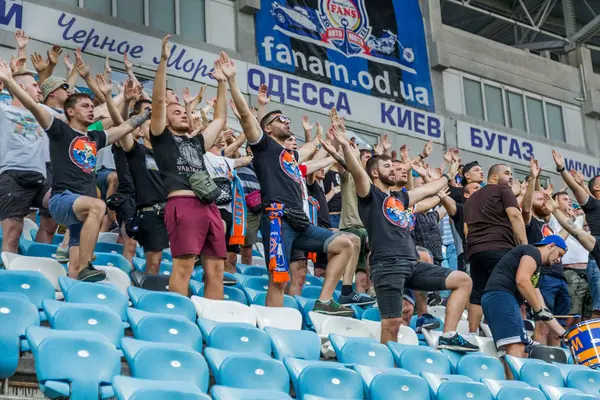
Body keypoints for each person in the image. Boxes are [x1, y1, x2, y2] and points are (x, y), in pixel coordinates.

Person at [226, 53, 356, 315]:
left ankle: (324, 300)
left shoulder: (289, 156)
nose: (287, 121)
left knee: (346, 244)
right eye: (280, 120)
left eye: (287, 119)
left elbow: (313, 153)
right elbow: (245, 115)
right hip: (277, 218)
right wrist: (231, 80)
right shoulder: (263, 148)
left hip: (301, 222)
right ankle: (273, 327)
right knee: (279, 280)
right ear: (268, 129)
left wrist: (331, 138)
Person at [0, 60, 151, 281]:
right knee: (98, 206)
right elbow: (33, 107)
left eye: (92, 106)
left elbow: (124, 127)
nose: (91, 110)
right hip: (62, 199)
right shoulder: (59, 130)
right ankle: (87, 264)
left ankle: (76, 278)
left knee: (75, 254)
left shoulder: (95, 137)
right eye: (85, 106)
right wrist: (10, 81)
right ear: (70, 111)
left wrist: (147, 114)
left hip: (80, 205)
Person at [339, 125, 477, 350]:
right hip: (388, 265)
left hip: (412, 264)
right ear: (374, 173)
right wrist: (345, 145)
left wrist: (449, 172)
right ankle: (387, 370)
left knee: (463, 280)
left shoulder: (400, 198)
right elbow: (357, 172)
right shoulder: (369, 195)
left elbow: (428, 189)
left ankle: (448, 334)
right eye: (387, 166)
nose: (392, 170)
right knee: (392, 323)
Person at [149, 36, 226, 297]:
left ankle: (211, 320)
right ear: (166, 121)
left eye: (185, 111)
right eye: (176, 112)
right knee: (183, 267)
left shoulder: (196, 142)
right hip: (183, 204)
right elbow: (158, 102)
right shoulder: (161, 138)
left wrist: (223, 82)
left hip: (209, 206)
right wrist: (163, 62)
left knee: (216, 271)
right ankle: (178, 319)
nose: (183, 113)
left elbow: (221, 119)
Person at [481, 235, 568, 378]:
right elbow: (522, 281)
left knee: (523, 349)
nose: (558, 260)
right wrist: (539, 309)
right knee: (516, 346)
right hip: (500, 296)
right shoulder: (532, 251)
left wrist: (562, 332)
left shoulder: (536, 267)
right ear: (551, 246)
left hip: (501, 298)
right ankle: (516, 390)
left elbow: (541, 304)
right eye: (559, 254)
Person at [464, 163, 527, 333]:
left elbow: (466, 229)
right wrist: (525, 246)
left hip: (476, 251)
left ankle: (473, 334)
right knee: (507, 290)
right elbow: (515, 215)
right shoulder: (502, 190)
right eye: (507, 173)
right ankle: (510, 333)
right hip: (499, 248)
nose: (510, 177)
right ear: (494, 177)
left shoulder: (471, 199)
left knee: (477, 293)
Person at [0, 72, 56, 254]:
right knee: (13, 235)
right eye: (35, 85)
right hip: (12, 175)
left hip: (41, 176)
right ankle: (8, 277)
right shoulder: (3, 109)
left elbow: (81, 115)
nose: (40, 90)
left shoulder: (45, 112)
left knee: (66, 202)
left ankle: (53, 254)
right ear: (21, 88)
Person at [521, 158, 569, 346]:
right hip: (543, 277)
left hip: (560, 278)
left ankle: (558, 367)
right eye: (541, 199)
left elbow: (563, 238)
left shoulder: (547, 225)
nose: (545, 202)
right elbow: (525, 208)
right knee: (542, 327)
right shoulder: (528, 222)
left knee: (558, 330)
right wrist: (533, 179)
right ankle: (540, 363)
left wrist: (560, 214)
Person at [120, 100, 169, 274]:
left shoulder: (168, 155)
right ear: (140, 130)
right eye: (150, 125)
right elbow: (121, 126)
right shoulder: (136, 151)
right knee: (154, 263)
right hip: (150, 212)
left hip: (171, 212)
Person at [552, 150, 600, 320]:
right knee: (596, 309)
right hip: (597, 255)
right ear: (597, 187)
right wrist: (562, 168)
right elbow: (575, 188)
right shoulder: (594, 206)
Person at [549, 191, 592, 328]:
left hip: (588, 271)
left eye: (569, 199)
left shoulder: (578, 219)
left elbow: (592, 208)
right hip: (570, 270)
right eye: (565, 199)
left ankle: (580, 344)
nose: (569, 201)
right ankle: (564, 341)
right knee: (571, 314)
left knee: (586, 315)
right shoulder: (553, 218)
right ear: (555, 201)